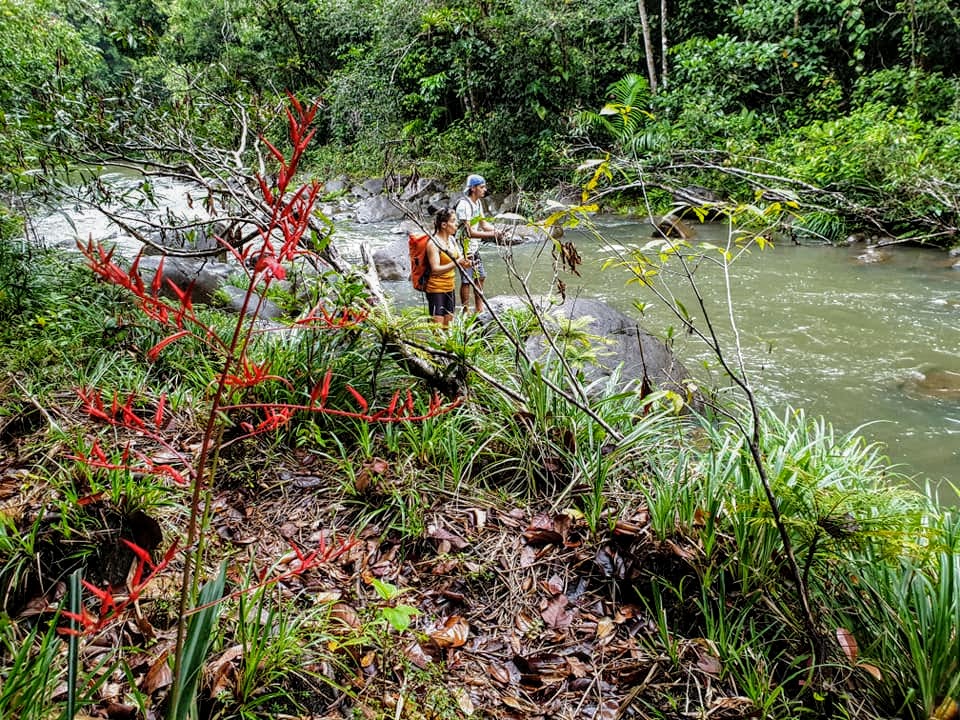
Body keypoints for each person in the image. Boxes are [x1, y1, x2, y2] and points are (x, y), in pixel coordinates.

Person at [455, 174, 503, 314]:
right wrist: (493, 235)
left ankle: (479, 308)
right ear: (473, 188)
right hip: (463, 248)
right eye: (482, 187)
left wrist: (498, 231)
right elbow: (469, 232)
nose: (484, 189)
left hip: (473, 247)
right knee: (466, 280)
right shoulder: (464, 205)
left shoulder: (478, 203)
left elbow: (483, 224)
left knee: (480, 276)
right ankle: (465, 311)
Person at [424, 207, 471, 329]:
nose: (456, 224)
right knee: (437, 331)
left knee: (448, 328)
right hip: (436, 290)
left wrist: (466, 263)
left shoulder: (452, 240)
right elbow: (435, 269)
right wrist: (457, 262)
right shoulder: (433, 243)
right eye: (453, 221)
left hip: (450, 288)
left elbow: (460, 260)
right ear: (444, 225)